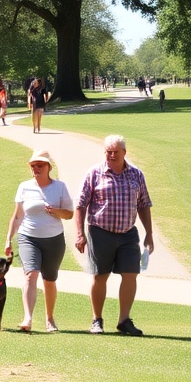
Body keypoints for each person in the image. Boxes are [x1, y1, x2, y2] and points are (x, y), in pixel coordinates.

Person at [73, 135, 154, 337]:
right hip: (100, 232)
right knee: (100, 276)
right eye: (108, 152)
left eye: (115, 152)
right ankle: (97, 320)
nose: (111, 155)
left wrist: (149, 233)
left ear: (124, 153)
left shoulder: (136, 175)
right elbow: (80, 205)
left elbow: (144, 205)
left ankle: (124, 320)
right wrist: (80, 234)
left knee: (130, 274)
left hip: (128, 233)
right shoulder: (94, 173)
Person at [4, 150, 74, 332]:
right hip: (28, 238)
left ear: (49, 167)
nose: (36, 169)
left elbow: (69, 214)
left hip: (54, 240)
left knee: (49, 280)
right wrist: (8, 240)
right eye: (33, 166)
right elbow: (17, 216)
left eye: (40, 165)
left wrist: (55, 211)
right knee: (31, 274)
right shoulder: (24, 187)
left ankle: (49, 318)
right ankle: (27, 318)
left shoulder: (59, 187)